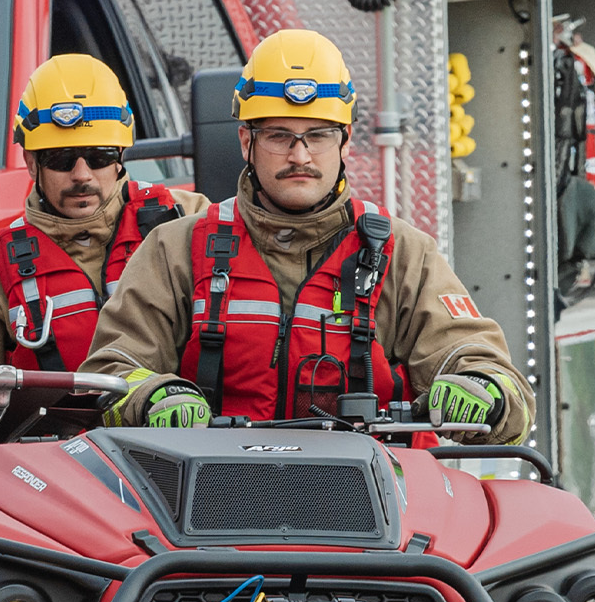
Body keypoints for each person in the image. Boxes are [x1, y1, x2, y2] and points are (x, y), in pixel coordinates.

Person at [82, 28, 531, 439]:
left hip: (370, 507)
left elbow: (483, 363)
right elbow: (112, 371)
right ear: (246, 141)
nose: (300, 155)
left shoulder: (403, 253)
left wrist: (481, 388)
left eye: (317, 135)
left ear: (346, 141)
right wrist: (153, 396)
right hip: (204, 501)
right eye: (279, 135)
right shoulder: (176, 249)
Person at [0, 54, 204, 369]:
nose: (82, 175)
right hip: (58, 421)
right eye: (61, 158)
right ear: (31, 163)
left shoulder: (188, 220)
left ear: (121, 156)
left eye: (99, 156)